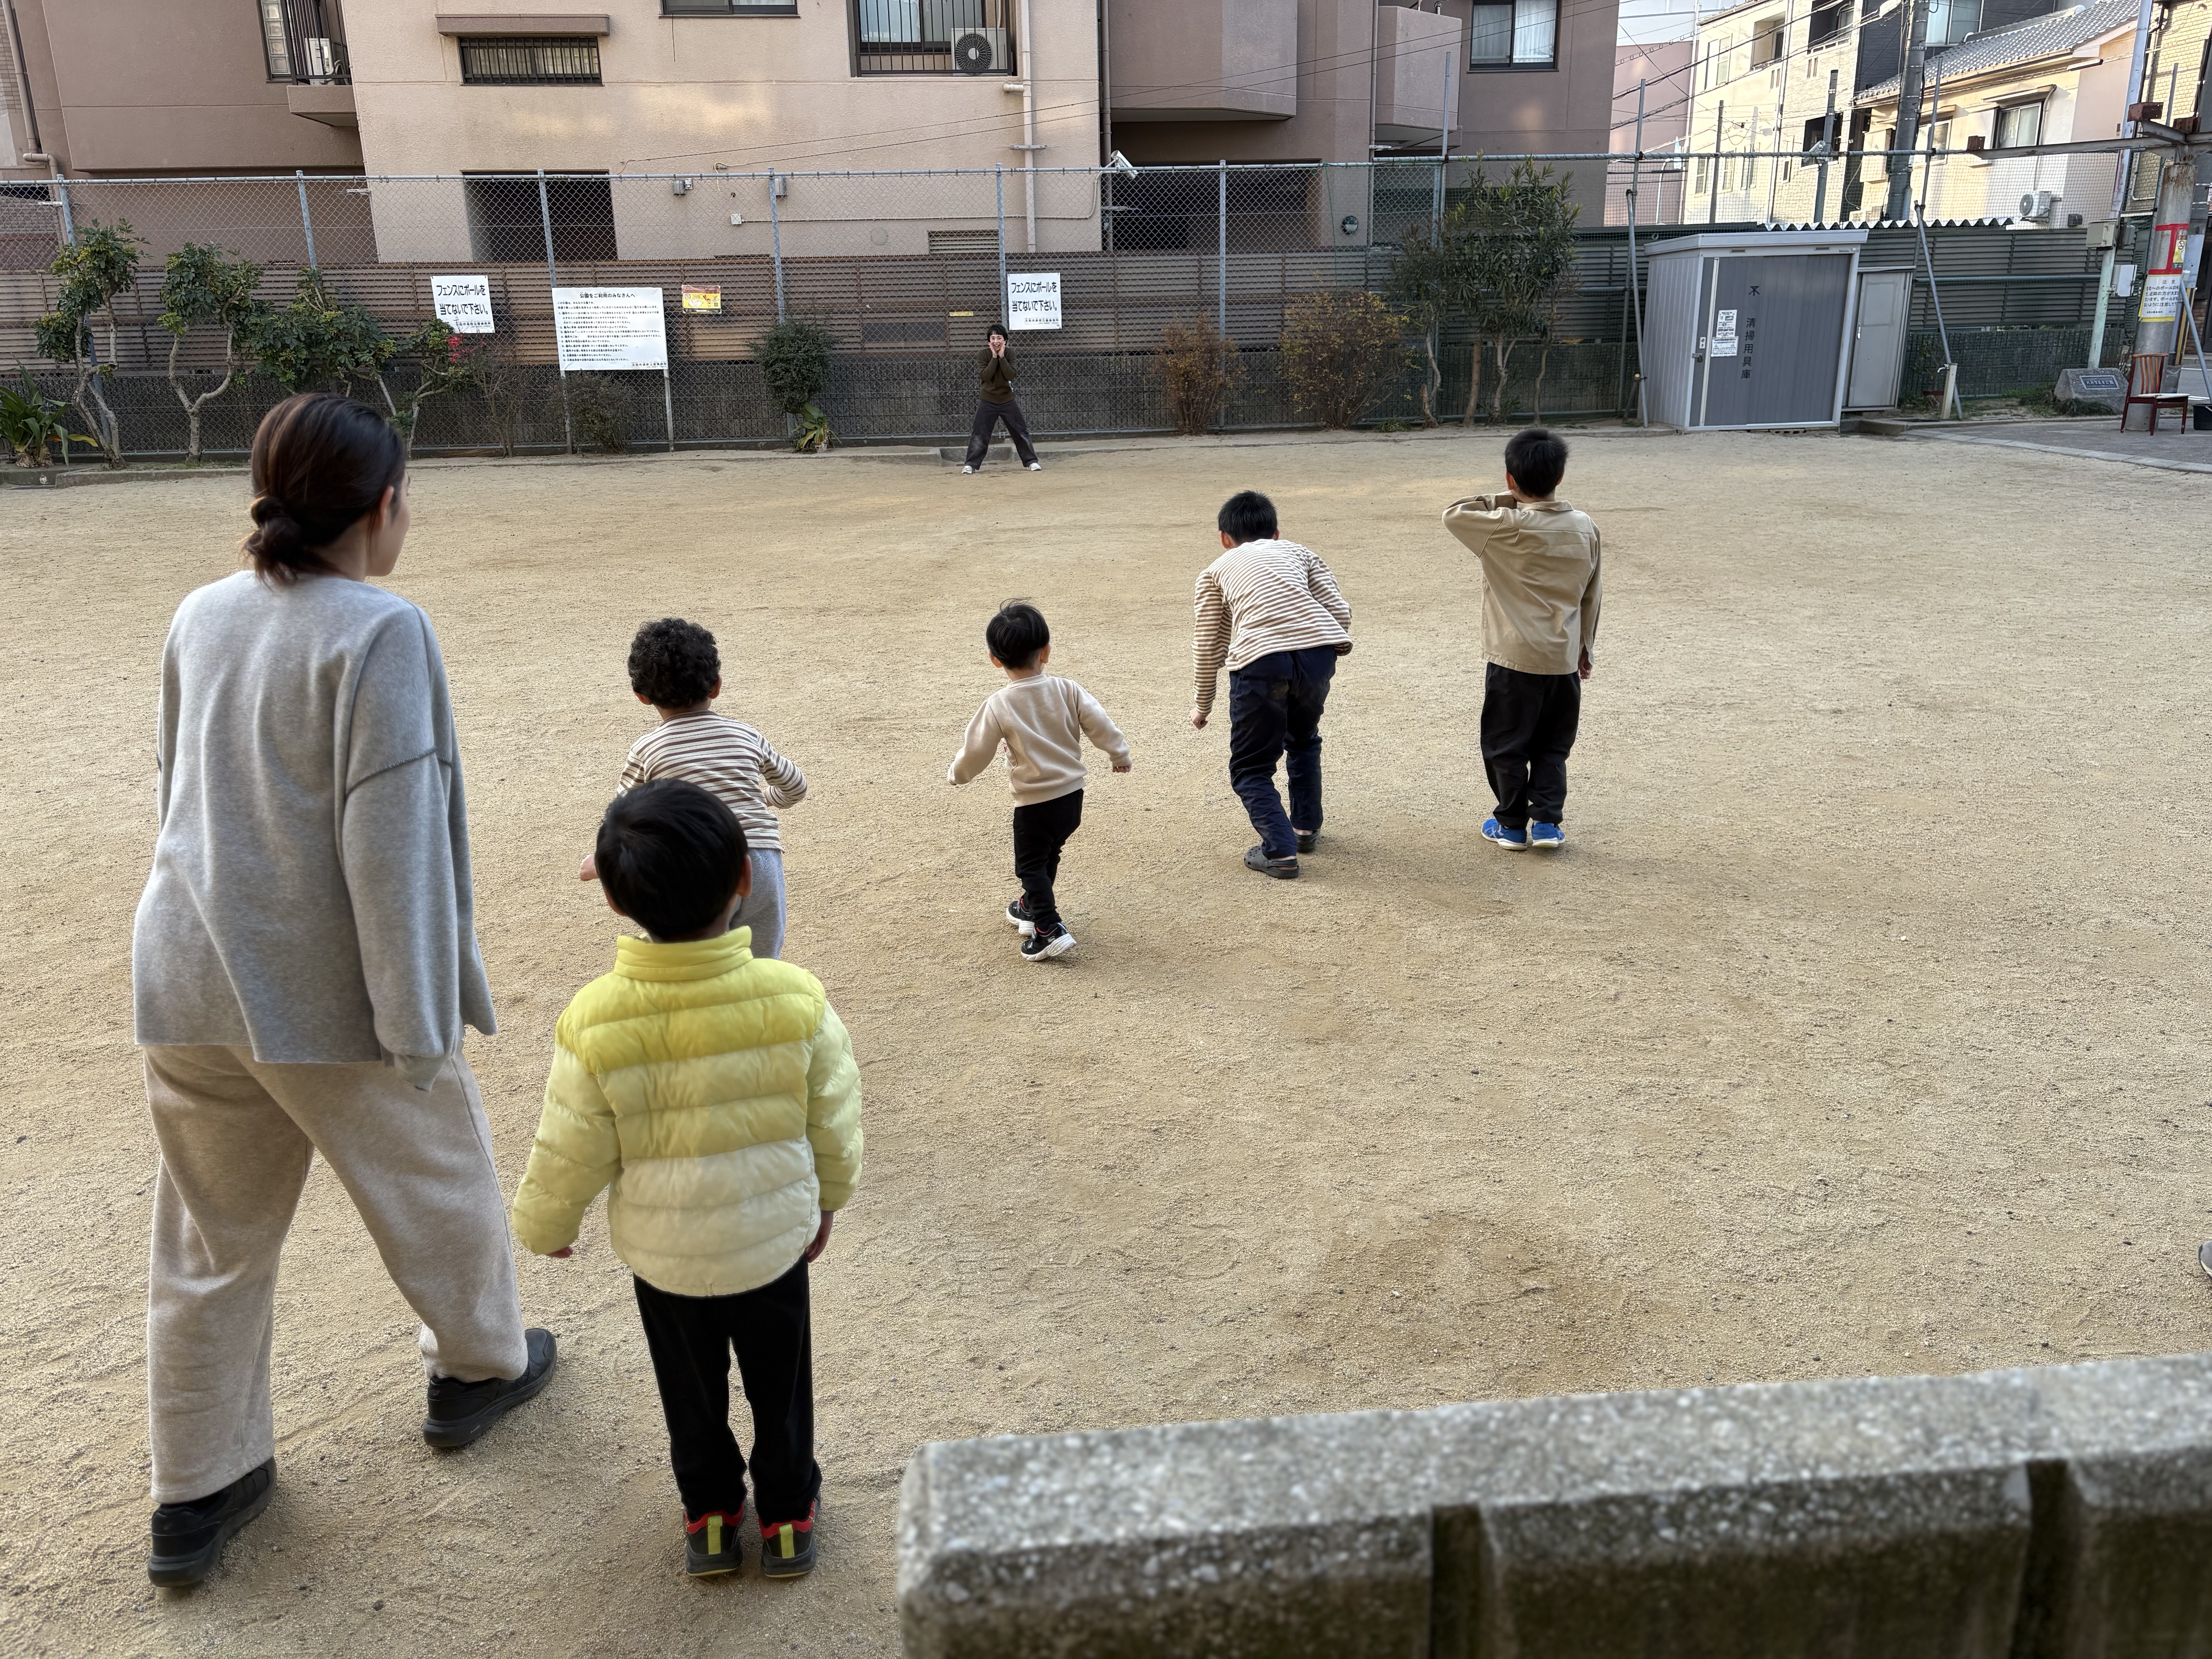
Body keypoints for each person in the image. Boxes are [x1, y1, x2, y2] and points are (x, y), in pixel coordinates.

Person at [131, 393, 556, 1590]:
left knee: (209, 1240)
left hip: (185, 972)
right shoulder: (380, 631)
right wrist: (417, 1025)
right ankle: (479, 1366)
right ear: (383, 507)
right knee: (442, 1181)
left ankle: (197, 1483)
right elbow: (392, 840)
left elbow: (176, 788)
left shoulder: (201, 611)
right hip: (315, 986)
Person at [512, 779, 862, 1580]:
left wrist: (547, 1223)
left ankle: (710, 1513)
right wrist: (829, 1199)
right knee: (782, 1385)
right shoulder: (795, 998)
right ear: (745, 876)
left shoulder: (595, 1016)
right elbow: (834, 1117)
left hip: (665, 1256)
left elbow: (571, 1140)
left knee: (689, 1389)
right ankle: (788, 1515)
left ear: (612, 898)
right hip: (770, 1245)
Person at [577, 617, 807, 959]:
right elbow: (795, 787)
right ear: (716, 686)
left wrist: (602, 858)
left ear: (642, 697)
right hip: (759, 860)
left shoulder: (648, 750)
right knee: (762, 960)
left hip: (691, 865)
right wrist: (763, 798)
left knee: (695, 958)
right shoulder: (746, 736)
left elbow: (623, 818)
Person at [1440, 426, 1602, 853]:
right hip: (1562, 657)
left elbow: (1454, 514)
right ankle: (1547, 822)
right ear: (1561, 476)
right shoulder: (1585, 527)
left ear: (1510, 478)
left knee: (1505, 744)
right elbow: (1592, 594)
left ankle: (1511, 825)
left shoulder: (1505, 525)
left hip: (1513, 657)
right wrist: (1585, 646)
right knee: (1553, 745)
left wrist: (1508, 498)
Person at [948, 601, 1131, 961]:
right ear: (1045, 652)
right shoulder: (1068, 689)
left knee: (1030, 865)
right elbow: (1100, 723)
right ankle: (1030, 906)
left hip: (1034, 803)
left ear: (994, 659)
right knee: (1049, 853)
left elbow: (976, 751)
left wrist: (959, 774)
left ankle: (1048, 927)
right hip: (1072, 797)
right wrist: (1119, 754)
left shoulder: (999, 704)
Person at [1190, 490, 1352, 881]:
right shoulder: (1301, 553)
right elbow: (1339, 612)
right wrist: (1322, 651)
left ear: (1224, 538)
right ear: (1276, 533)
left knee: (1251, 768)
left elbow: (1210, 643)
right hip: (1317, 655)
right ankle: (1305, 828)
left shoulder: (1216, 570)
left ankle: (1280, 851)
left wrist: (1203, 704)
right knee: (1303, 739)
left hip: (1261, 662)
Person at [961, 323, 1042, 474]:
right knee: (980, 434)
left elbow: (1010, 375)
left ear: (1005, 340)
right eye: (993, 338)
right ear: (989, 341)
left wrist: (1002, 357)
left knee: (1020, 431)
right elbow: (985, 376)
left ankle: (1031, 462)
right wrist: (994, 357)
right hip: (988, 400)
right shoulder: (983, 355)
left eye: (999, 338)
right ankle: (971, 465)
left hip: (1007, 400)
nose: (996, 341)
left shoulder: (1010, 354)